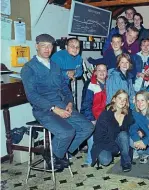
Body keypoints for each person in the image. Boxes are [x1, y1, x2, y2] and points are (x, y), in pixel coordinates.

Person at [21, 34, 94, 171]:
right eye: (43, 46)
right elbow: (32, 96)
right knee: (67, 132)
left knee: (88, 127)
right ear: (37, 46)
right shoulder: (29, 68)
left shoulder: (55, 66)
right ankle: (56, 155)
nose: (47, 49)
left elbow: (64, 89)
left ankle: (56, 153)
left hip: (61, 104)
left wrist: (69, 103)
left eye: (50, 46)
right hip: (43, 109)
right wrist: (54, 108)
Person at [91, 90, 134, 172]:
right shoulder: (105, 114)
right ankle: (114, 152)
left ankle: (126, 162)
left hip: (120, 141)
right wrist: (115, 148)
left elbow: (133, 127)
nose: (122, 101)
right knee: (105, 160)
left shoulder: (128, 113)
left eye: (124, 99)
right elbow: (98, 137)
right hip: (104, 142)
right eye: (120, 98)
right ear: (114, 99)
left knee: (123, 134)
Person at [80, 63, 107, 166]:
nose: (101, 72)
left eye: (104, 70)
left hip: (105, 117)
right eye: (99, 70)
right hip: (93, 117)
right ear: (95, 72)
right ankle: (90, 160)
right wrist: (92, 119)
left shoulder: (109, 83)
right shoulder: (90, 85)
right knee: (91, 136)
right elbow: (86, 105)